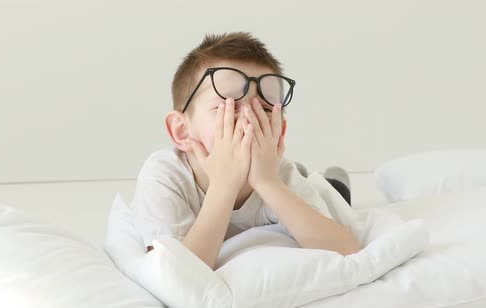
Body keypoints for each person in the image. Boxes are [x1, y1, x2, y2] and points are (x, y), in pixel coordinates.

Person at [131, 32, 360, 270]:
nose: (250, 121)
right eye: (228, 107)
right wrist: (224, 185)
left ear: (280, 132)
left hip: (290, 180)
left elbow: (348, 252)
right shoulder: (164, 176)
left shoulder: (278, 173)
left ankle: (332, 183)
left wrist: (267, 181)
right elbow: (180, 273)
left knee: (332, 195)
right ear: (182, 131)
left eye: (265, 109)